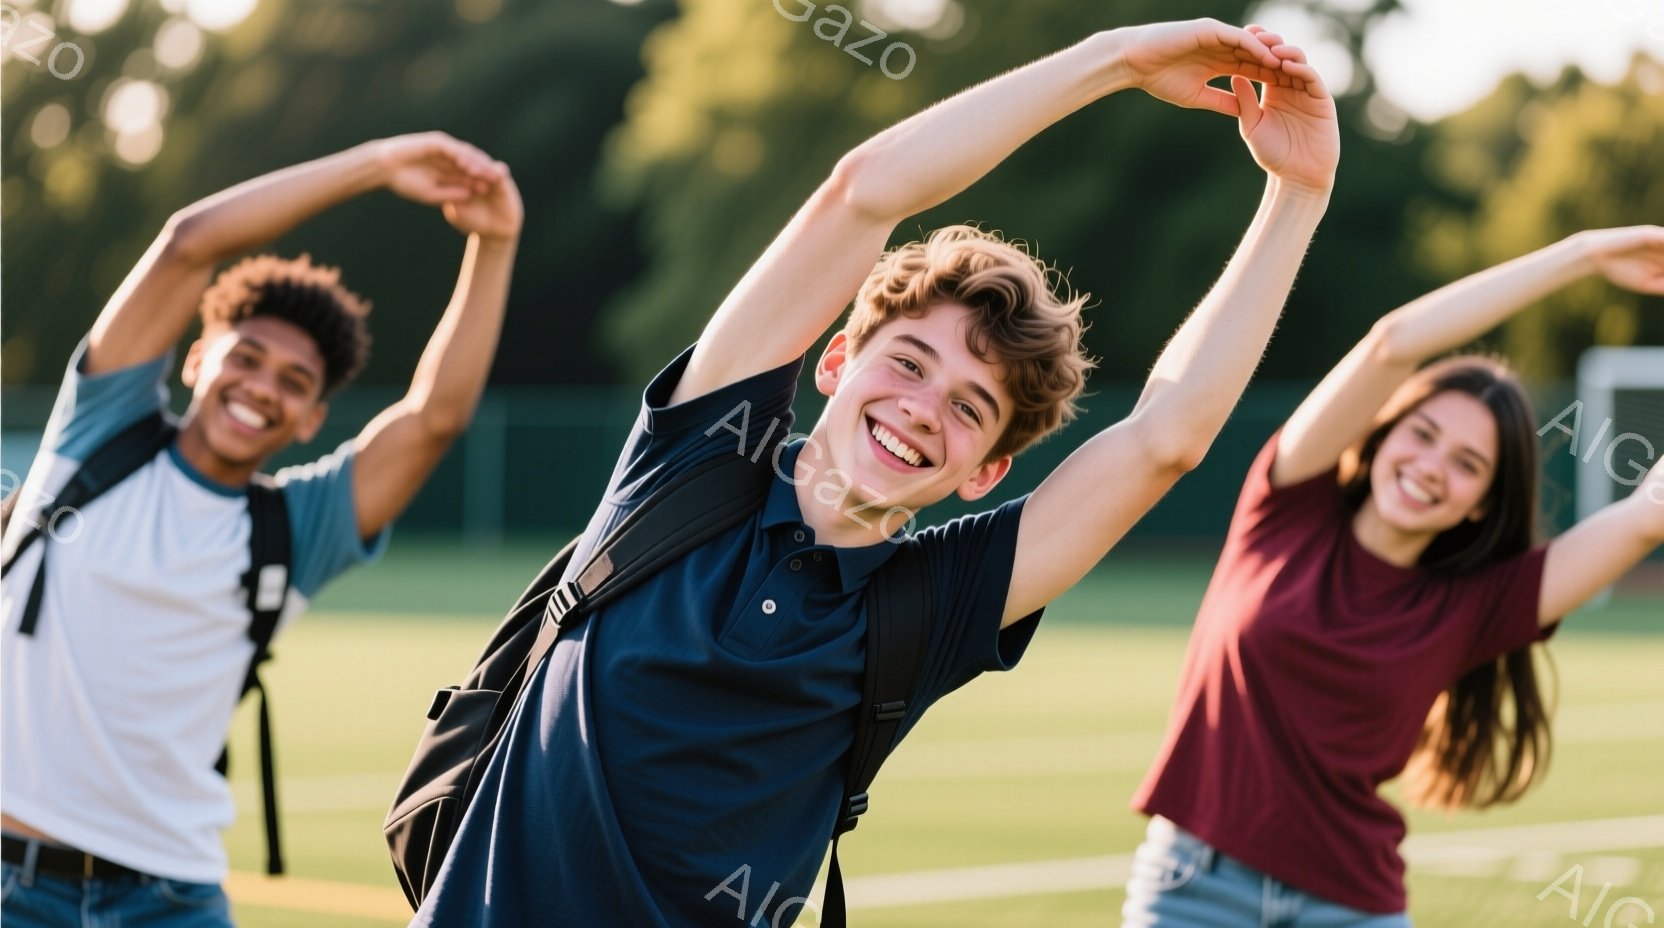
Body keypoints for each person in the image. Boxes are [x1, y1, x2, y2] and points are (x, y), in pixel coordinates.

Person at [413, 18, 1338, 927]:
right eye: (907, 363)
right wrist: (1115, 58)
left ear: (986, 472)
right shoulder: (696, 458)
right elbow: (864, 193)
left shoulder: (925, 611)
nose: (923, 408)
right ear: (834, 362)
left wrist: (1296, 193)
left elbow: (1163, 439)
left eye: (969, 409)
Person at [0, 132, 522, 925]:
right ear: (196, 360)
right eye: (244, 358)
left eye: (294, 381)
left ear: (312, 418)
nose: (261, 387)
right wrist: (379, 165)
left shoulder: (297, 528)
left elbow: (434, 419)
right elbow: (189, 242)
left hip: (169, 899)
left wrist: (495, 241)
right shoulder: (96, 433)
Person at [1124, 225, 1664, 926]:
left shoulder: (1481, 605)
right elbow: (1392, 344)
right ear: (1383, 433)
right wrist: (1581, 254)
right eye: (1423, 434)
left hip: (1352, 904)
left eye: (1468, 464)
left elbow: (1648, 513)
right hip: (1195, 887)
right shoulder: (1285, 505)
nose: (1432, 467)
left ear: (1483, 503)